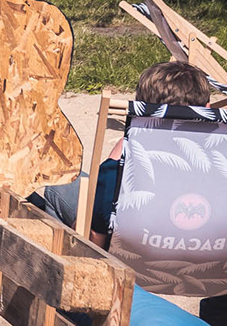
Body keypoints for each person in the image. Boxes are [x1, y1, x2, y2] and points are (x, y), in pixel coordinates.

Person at [32, 60, 213, 243]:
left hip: (125, 258)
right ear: (207, 108)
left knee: (60, 184)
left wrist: (112, 161)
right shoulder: (219, 166)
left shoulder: (117, 172)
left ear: (141, 110)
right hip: (203, 256)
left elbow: (94, 242)